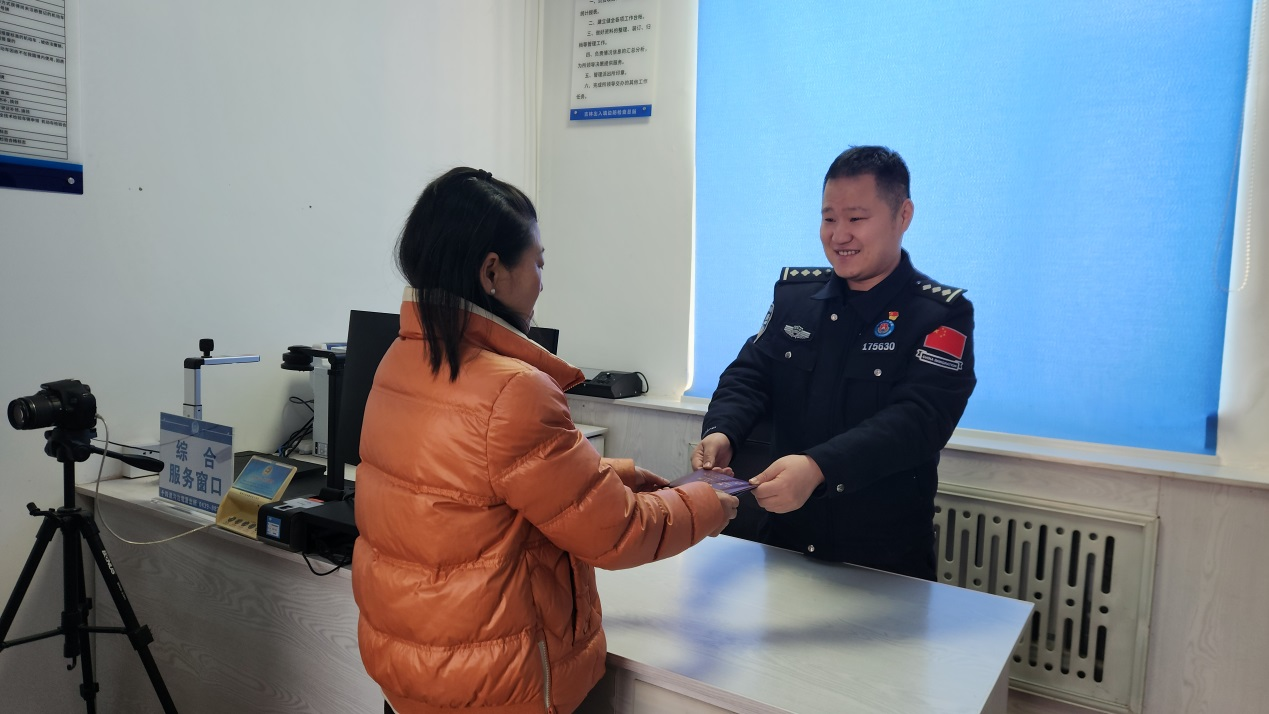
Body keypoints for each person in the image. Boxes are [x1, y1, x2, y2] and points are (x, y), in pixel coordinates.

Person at [352, 167, 738, 714]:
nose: (541, 281)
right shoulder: (514, 390)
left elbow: (485, 489)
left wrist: (621, 476)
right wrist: (708, 503)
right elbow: (619, 533)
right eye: (537, 262)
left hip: (413, 678)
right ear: (492, 272)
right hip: (499, 691)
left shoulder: (399, 359)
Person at [691, 146, 976, 581]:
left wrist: (819, 468)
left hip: (880, 560)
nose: (839, 235)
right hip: (784, 543)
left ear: (903, 216)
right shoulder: (796, 299)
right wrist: (722, 431)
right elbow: (749, 375)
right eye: (829, 219)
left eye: (856, 219)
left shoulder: (939, 316)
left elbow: (919, 421)